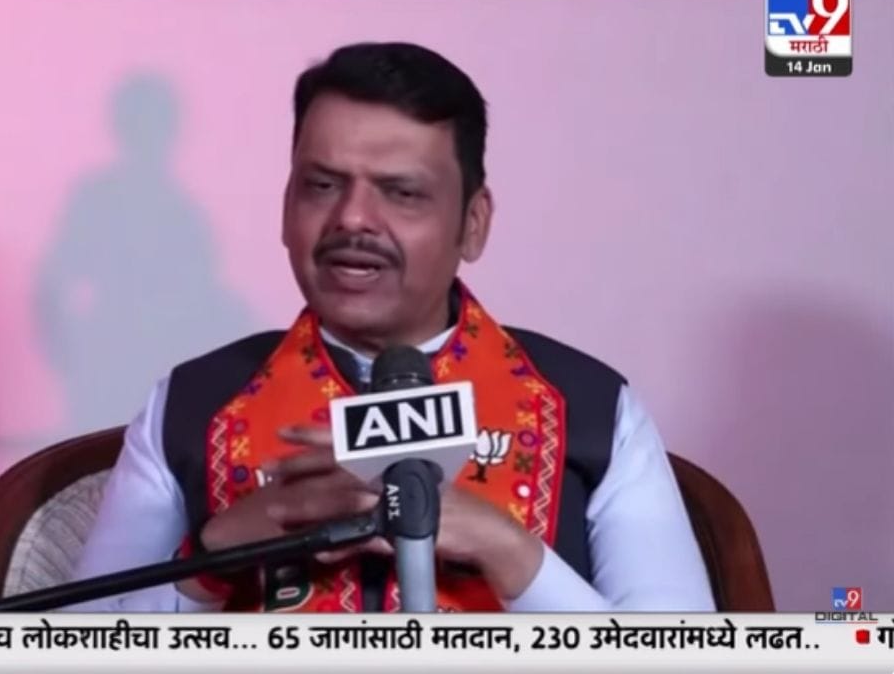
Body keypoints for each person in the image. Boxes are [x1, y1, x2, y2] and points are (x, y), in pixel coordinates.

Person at [69, 43, 714, 612]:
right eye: (323, 185)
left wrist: (511, 552)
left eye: (401, 193)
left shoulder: (592, 409)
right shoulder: (192, 405)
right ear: (287, 208)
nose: (353, 218)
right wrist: (215, 556)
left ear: (473, 224)